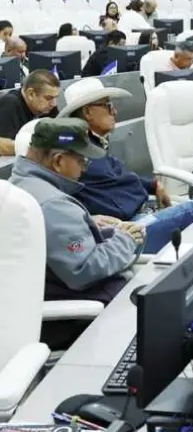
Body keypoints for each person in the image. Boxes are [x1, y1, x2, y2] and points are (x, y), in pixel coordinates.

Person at [59, 78, 193, 254]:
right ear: (88, 112)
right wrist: (88, 218)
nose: (114, 111)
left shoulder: (95, 145)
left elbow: (121, 177)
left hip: (143, 213)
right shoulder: (77, 156)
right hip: (130, 229)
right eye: (107, 106)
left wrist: (154, 185)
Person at [9, 118, 144, 306]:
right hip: (90, 308)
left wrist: (88, 224)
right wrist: (126, 240)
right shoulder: (55, 205)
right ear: (59, 161)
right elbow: (83, 271)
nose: (84, 169)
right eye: (82, 161)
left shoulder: (18, 184)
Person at [0, 70, 60, 155]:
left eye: (55, 98)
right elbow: (3, 146)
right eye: (48, 98)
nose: (54, 104)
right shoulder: (10, 103)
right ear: (31, 94)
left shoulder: (48, 106)